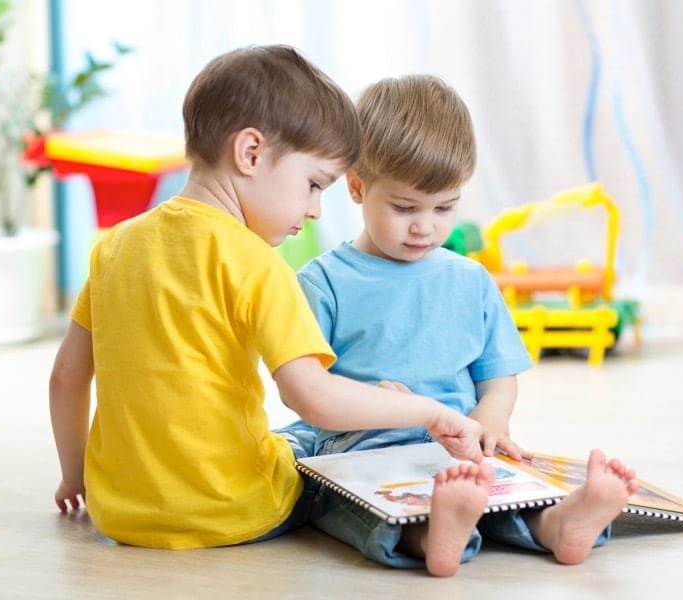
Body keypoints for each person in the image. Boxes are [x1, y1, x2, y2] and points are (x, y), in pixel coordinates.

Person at [48, 46, 485, 551]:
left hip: (119, 511)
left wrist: (75, 476)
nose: (316, 209)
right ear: (250, 153)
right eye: (314, 184)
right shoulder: (258, 264)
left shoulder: (114, 247)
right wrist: (426, 412)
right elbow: (314, 398)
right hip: (235, 507)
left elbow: (66, 378)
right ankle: (419, 533)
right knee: (337, 470)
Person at [279, 74, 639, 577]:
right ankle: (436, 531)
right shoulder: (323, 282)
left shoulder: (472, 281)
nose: (425, 226)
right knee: (348, 494)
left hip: (463, 443)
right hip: (364, 443)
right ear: (357, 187)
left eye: (445, 207)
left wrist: (492, 420)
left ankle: (559, 523)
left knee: (497, 485)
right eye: (404, 207)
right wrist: (375, 402)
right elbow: (309, 387)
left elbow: (497, 378)